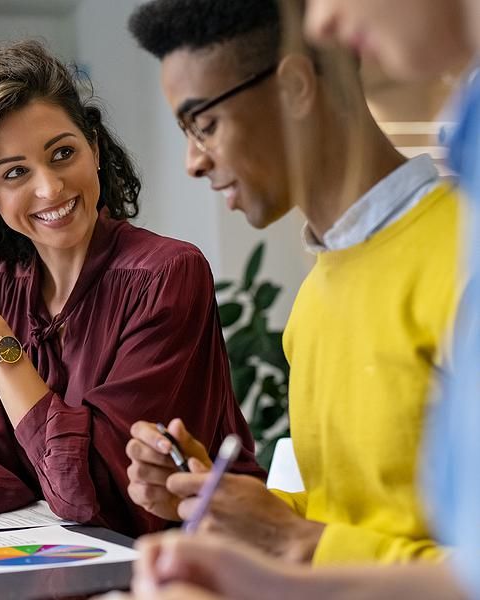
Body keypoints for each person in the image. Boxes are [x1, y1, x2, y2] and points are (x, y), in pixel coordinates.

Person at [110, 0, 480, 598]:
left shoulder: (464, 260)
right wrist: (223, 500)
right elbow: (338, 514)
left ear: (295, 87)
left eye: (202, 124)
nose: (193, 161)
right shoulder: (315, 298)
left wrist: (294, 541)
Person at [0, 39, 264, 546]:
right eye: (15, 172)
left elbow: (92, 490)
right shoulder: (2, 283)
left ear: (95, 149)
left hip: (196, 561)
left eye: (63, 153)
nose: (51, 188)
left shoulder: (167, 274)